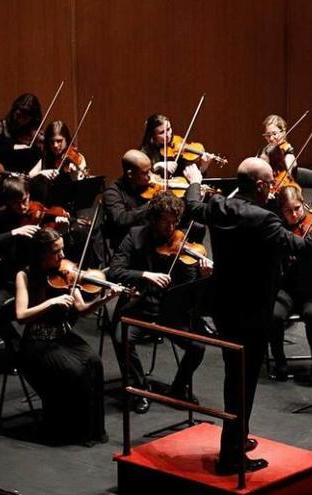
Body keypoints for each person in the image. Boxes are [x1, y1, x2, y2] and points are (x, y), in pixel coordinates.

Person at [182, 158, 312, 474]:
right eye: (271, 185)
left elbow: (192, 205)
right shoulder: (263, 219)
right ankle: (231, 456)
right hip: (252, 312)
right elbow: (304, 247)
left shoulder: (220, 206)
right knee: (243, 384)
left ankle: (236, 437)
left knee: (232, 375)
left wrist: (195, 179)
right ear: (261, 186)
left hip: (224, 306)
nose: (274, 190)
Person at [107, 192, 211, 413]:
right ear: (153, 219)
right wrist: (144, 275)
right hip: (139, 308)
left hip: (170, 311)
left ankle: (178, 387)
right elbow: (115, 272)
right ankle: (139, 388)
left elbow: (189, 287)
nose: (171, 227)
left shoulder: (183, 245)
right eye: (166, 221)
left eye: (175, 221)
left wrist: (202, 276)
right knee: (120, 338)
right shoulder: (134, 236)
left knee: (198, 346)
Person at [15, 228, 118, 446]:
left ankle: (93, 430)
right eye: (56, 252)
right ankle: (70, 430)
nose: (62, 256)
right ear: (42, 254)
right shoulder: (24, 276)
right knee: (75, 371)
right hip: (37, 344)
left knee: (94, 362)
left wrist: (104, 299)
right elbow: (21, 315)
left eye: (62, 250)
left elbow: (81, 308)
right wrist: (50, 302)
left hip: (62, 337)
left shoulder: (65, 274)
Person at [270, 186, 312, 386]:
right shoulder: (277, 230)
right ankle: (279, 361)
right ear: (281, 211)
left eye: (297, 208)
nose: (295, 214)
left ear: (303, 204)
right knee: (274, 315)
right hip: (287, 288)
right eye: (288, 211)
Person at [0, 177, 43, 353]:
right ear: (7, 202)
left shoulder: (38, 215)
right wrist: (14, 232)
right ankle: (16, 344)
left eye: (25, 200)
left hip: (35, 277)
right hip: (8, 280)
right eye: (17, 203)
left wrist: (63, 231)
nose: (23, 207)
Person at [101, 150, 153, 252]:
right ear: (130, 174)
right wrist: (149, 205)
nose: (150, 176)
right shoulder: (112, 193)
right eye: (144, 173)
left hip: (148, 238)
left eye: (150, 171)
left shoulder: (147, 186)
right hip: (126, 246)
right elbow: (121, 219)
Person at [139, 113, 214, 177]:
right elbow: (141, 177)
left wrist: (203, 168)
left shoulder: (178, 144)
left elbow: (191, 179)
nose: (168, 135)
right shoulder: (145, 153)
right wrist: (157, 166)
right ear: (152, 135)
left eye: (168, 129)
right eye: (162, 132)